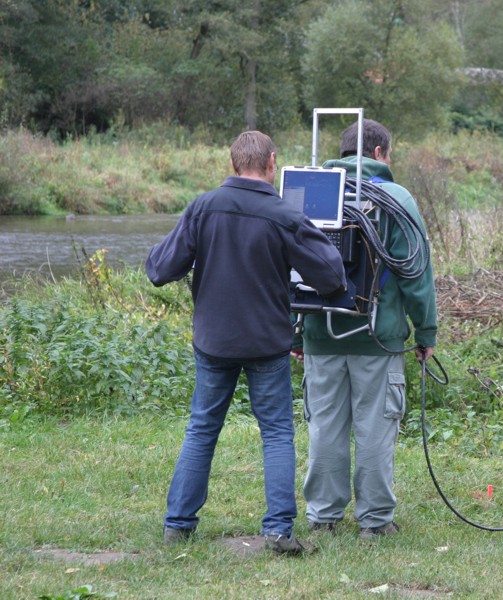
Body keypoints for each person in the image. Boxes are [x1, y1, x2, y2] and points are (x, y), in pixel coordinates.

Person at [146, 130, 346, 554]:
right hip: (266, 341)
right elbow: (331, 277)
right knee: (276, 433)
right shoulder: (284, 214)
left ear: (232, 162)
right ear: (272, 162)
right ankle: (277, 531)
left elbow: (160, 269)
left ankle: (178, 526)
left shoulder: (203, 207)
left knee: (201, 429)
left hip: (214, 341)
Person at [296, 119, 438, 540]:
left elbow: (284, 266)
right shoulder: (396, 198)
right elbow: (416, 272)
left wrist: (293, 329)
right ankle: (375, 523)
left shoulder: (309, 190)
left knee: (325, 426)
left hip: (320, 332)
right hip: (379, 336)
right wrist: (425, 331)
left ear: (342, 153)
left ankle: (323, 517)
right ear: (379, 153)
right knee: (376, 428)